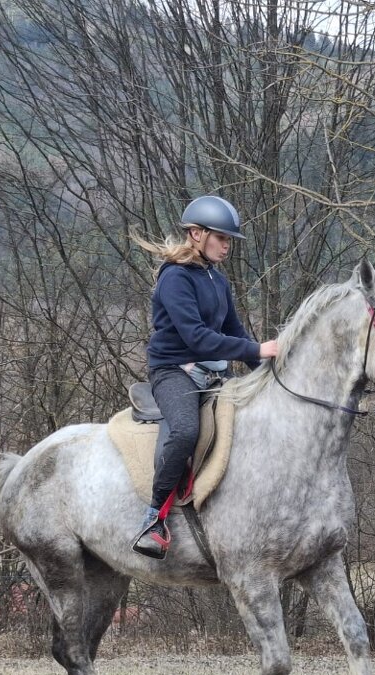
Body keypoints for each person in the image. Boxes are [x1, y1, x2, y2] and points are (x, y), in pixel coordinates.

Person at [131, 195, 279, 559]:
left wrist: (269, 372)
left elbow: (236, 332)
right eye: (221, 238)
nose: (227, 246)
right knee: (186, 431)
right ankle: (154, 519)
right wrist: (258, 350)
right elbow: (197, 337)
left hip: (214, 375)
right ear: (196, 234)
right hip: (173, 371)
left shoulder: (217, 279)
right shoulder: (175, 278)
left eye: (229, 240)